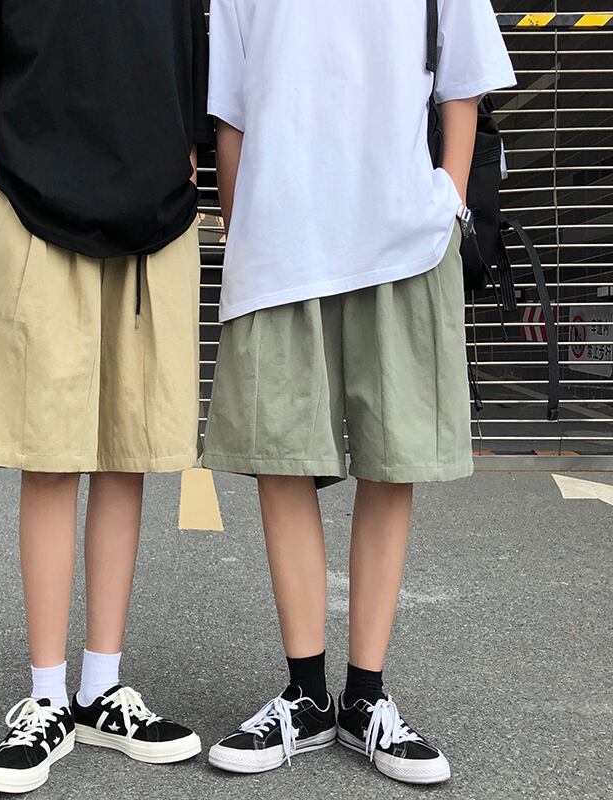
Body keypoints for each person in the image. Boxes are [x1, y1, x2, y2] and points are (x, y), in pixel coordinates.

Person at [202, 0, 515, 784]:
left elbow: (464, 80)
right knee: (279, 458)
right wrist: (240, 233)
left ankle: (365, 696)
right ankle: (308, 697)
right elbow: (231, 109)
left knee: (391, 457)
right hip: (278, 236)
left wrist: (448, 200)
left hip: (403, 233)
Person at [0, 1, 213, 793]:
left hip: (155, 229)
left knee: (127, 454)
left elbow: (192, 85)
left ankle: (99, 689)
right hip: (37, 219)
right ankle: (46, 697)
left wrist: (183, 172)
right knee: (51, 458)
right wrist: (2, 211)